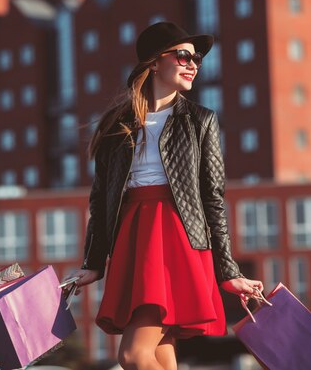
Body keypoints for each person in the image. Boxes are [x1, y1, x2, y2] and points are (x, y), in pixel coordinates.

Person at [65, 21, 264, 370]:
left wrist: (227, 270)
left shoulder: (201, 120)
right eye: (184, 55)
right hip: (133, 236)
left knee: (132, 355)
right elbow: (100, 200)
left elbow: (212, 197)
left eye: (197, 58)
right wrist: (92, 263)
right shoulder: (116, 125)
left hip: (177, 236)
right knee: (161, 354)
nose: (194, 64)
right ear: (155, 63)